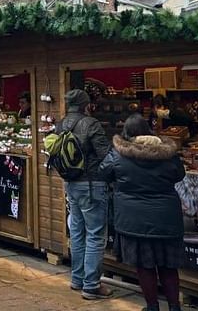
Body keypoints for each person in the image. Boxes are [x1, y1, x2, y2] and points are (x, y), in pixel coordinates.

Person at [99, 114, 185, 311]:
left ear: (127, 133)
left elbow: (103, 172)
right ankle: (174, 307)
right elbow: (179, 174)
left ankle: (152, 307)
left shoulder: (119, 153)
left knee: (144, 266)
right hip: (166, 217)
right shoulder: (168, 153)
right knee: (168, 265)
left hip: (133, 219)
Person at [56, 89, 113, 299]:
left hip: (71, 184)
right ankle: (91, 285)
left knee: (77, 233)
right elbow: (106, 154)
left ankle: (77, 279)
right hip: (92, 184)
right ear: (86, 105)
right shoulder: (91, 124)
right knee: (96, 235)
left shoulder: (61, 124)